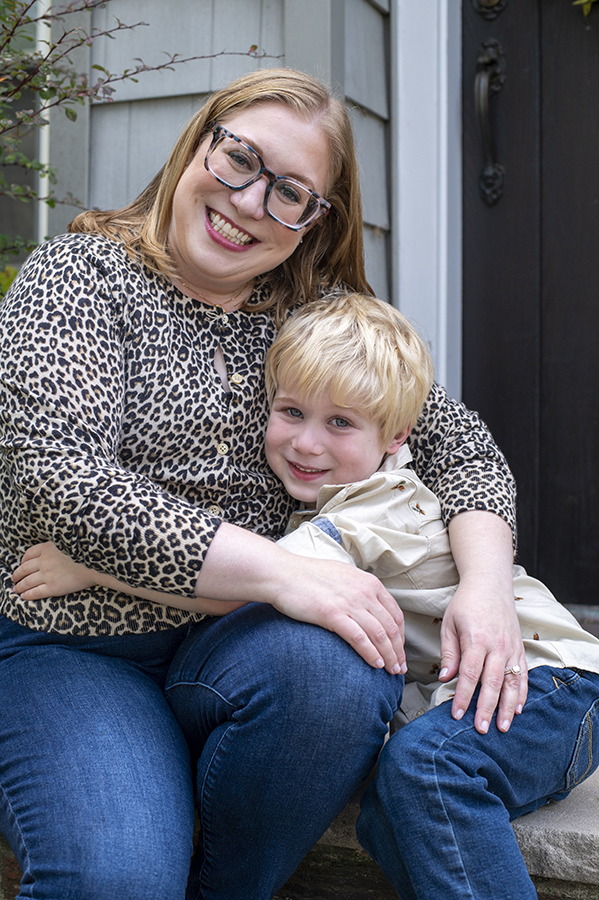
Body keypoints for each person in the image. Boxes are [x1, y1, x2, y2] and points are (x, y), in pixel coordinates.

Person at [0, 66, 523, 900]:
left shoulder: (315, 314)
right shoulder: (81, 278)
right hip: (79, 649)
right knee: (114, 881)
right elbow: (64, 486)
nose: (249, 202)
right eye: (239, 159)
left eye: (291, 193)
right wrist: (290, 575)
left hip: (239, 645)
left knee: (339, 665)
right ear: (198, 144)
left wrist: (488, 591)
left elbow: (459, 450)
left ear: (317, 220)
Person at [15, 291, 599, 900]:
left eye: (340, 423)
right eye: (291, 412)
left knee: (428, 771)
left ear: (398, 436)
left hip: (549, 683)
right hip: (526, 693)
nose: (306, 443)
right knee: (390, 813)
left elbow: (234, 592)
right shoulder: (337, 506)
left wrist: (94, 569)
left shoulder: (369, 511)